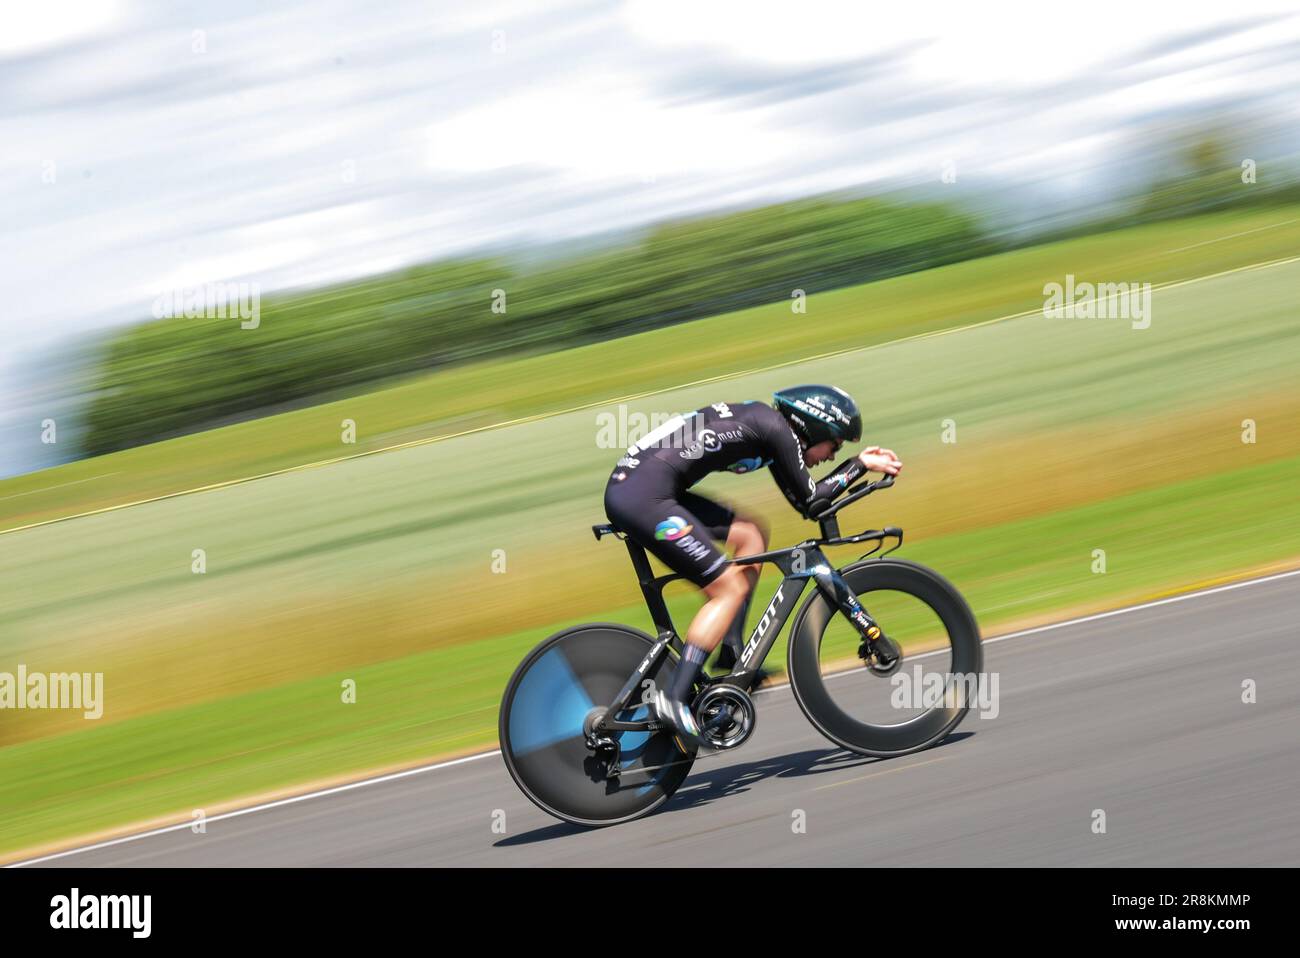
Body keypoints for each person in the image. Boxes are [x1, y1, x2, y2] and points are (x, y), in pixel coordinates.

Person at [602, 384, 902, 746]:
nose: (831, 454)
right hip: (643, 497)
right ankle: (674, 697)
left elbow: (809, 507)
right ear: (816, 428)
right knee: (726, 589)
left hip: (646, 488)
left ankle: (731, 655)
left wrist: (852, 469)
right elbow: (814, 499)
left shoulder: (770, 431)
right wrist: (860, 465)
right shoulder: (776, 430)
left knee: (750, 535)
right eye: (835, 445)